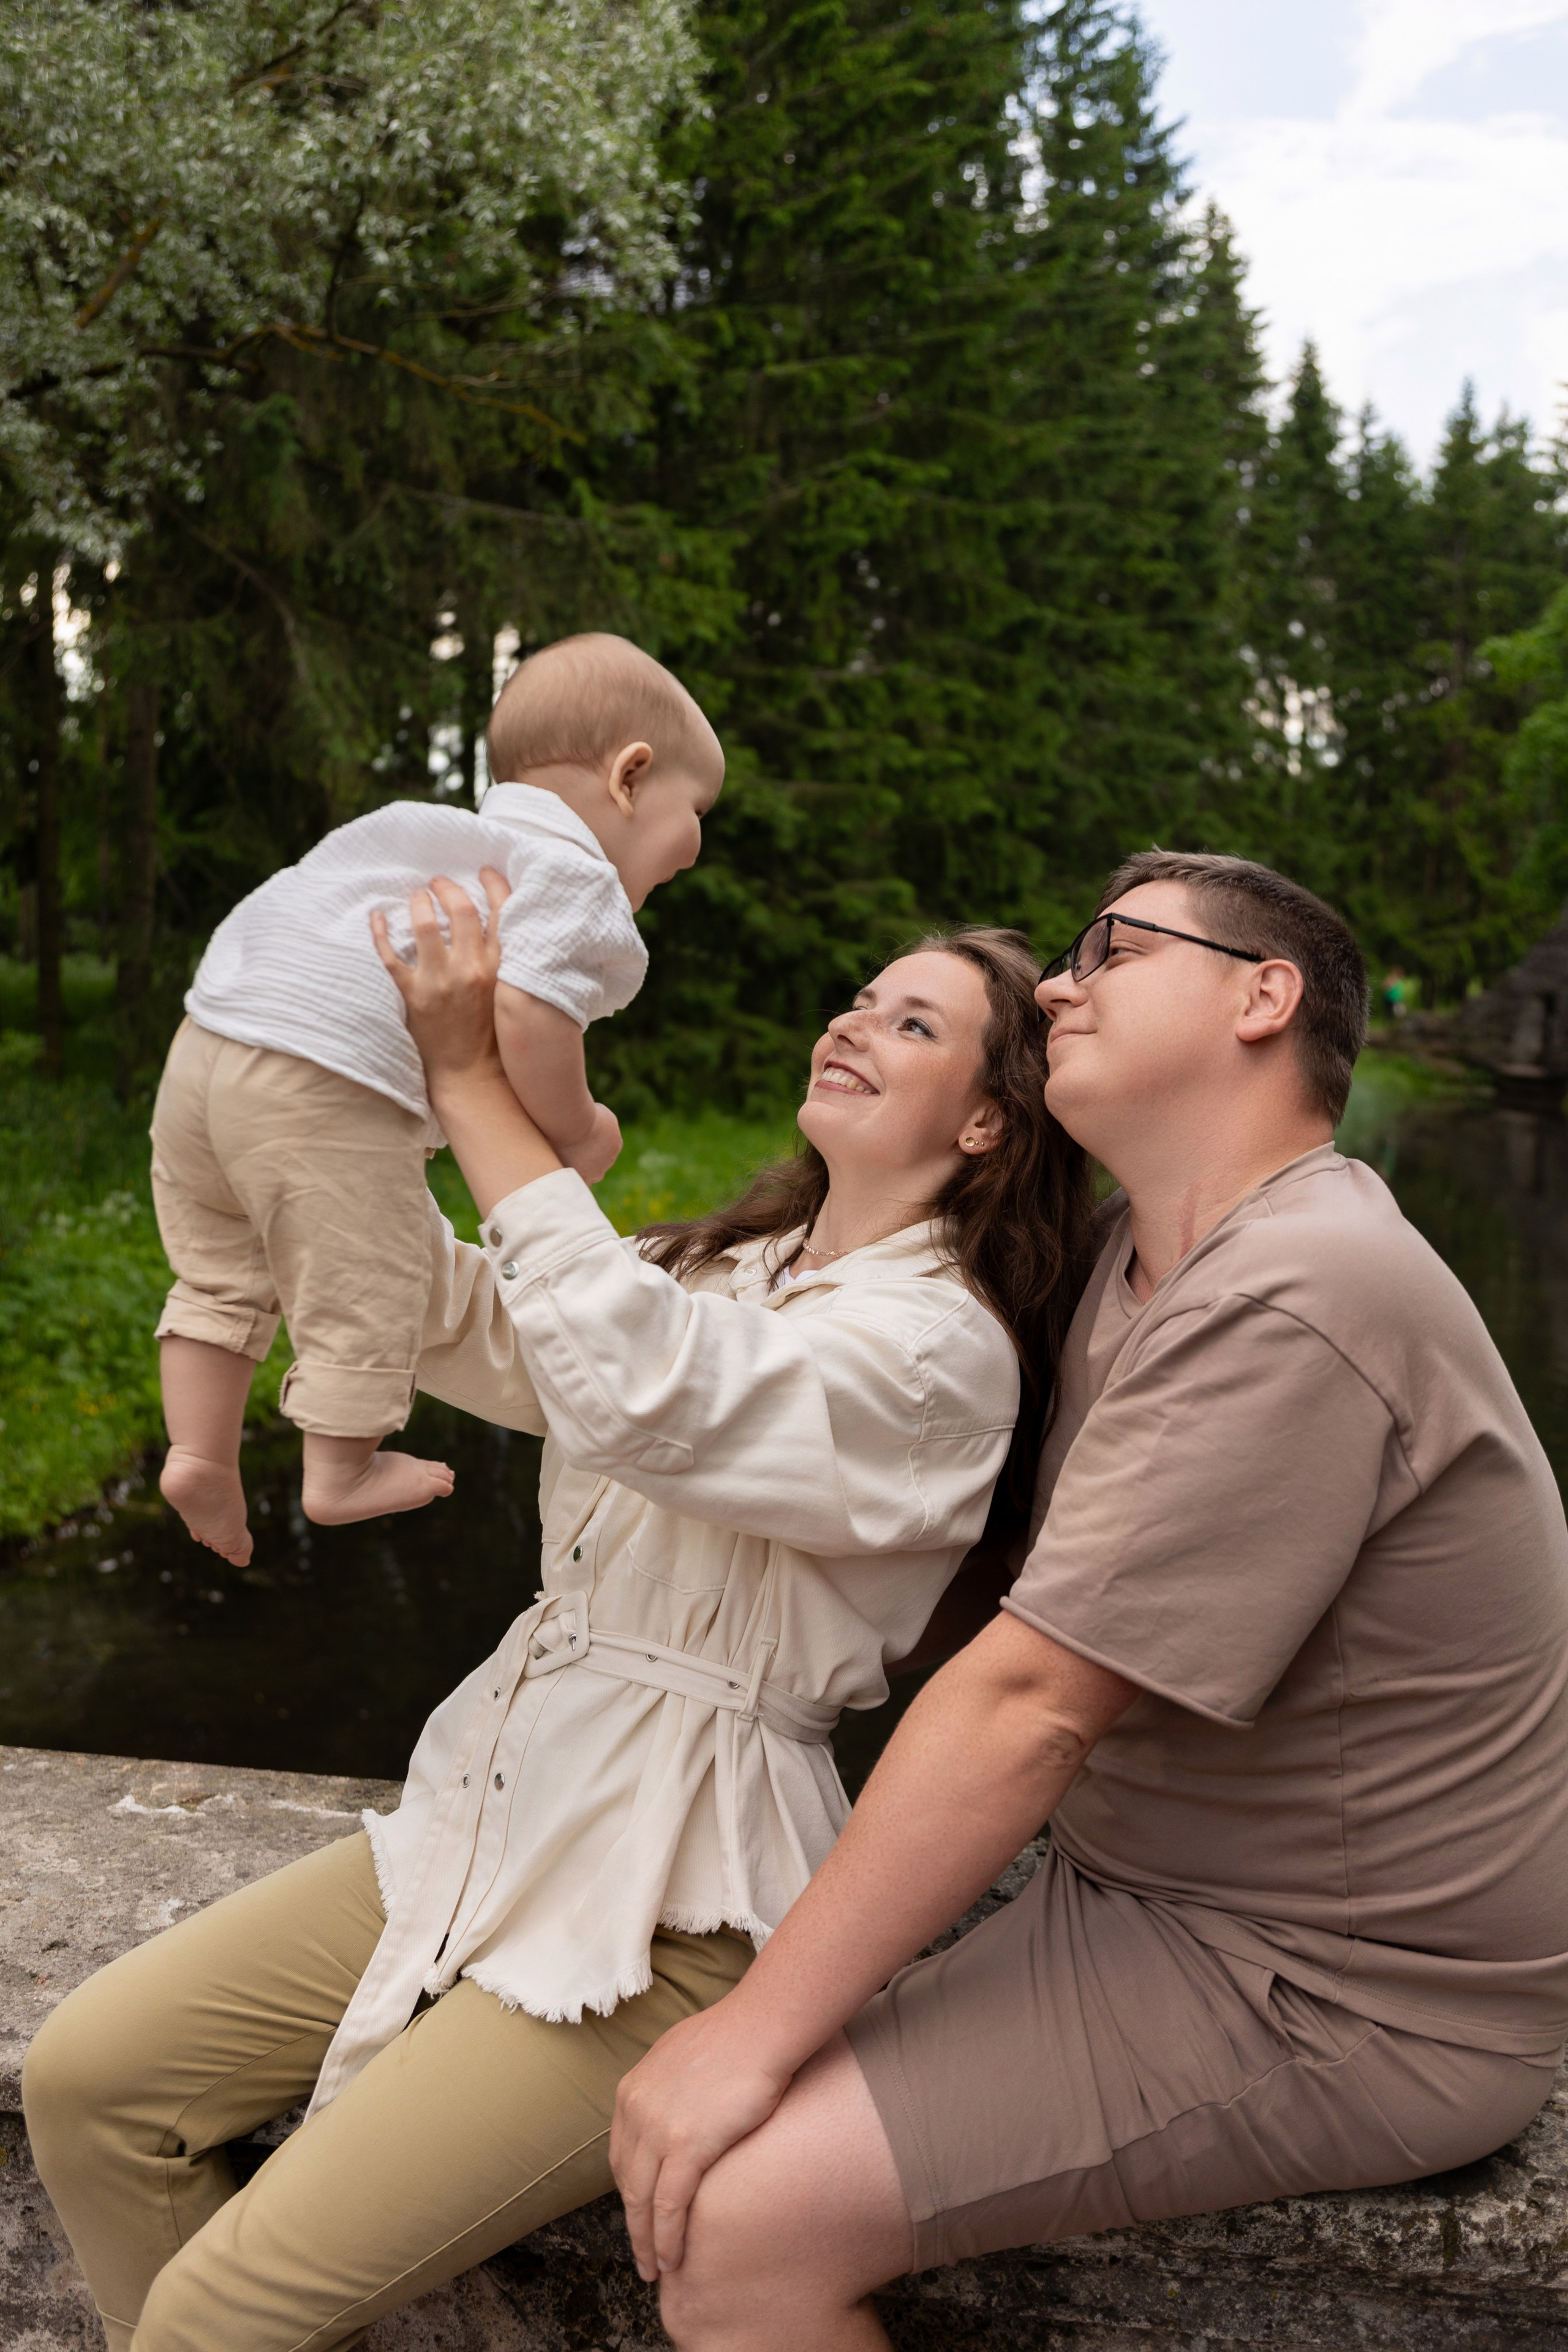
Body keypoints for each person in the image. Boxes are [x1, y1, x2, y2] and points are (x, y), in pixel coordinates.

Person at [21, 899, 1093, 2352]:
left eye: (914, 1024)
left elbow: (650, 1393)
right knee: (93, 2081)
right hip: (505, 1799)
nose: (852, 1021)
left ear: (984, 1124)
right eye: (859, 997)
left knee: (217, 2316)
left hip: (676, 1903)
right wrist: (304, 1122)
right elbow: (483, 1316)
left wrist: (476, 1081)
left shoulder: (936, 1355)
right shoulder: (720, 1266)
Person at [609, 850, 1568, 2352]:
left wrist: (748, 2037)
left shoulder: (1304, 1285)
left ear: (1264, 997)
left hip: (1335, 1993)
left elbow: (1032, 1701)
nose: (1057, 984)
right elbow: (955, 1545)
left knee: (734, 2221)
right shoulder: (1132, 1252)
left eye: (1111, 949)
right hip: (1137, 1905)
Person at [152, 631, 723, 1564]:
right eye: (692, 817)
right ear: (631, 776)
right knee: (369, 1270)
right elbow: (531, 1015)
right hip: (319, 1079)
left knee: (221, 1269)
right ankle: (340, 1471)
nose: (687, 853)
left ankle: (197, 1453)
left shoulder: (443, 842)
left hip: (209, 1045)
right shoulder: (570, 875)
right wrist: (578, 1128)